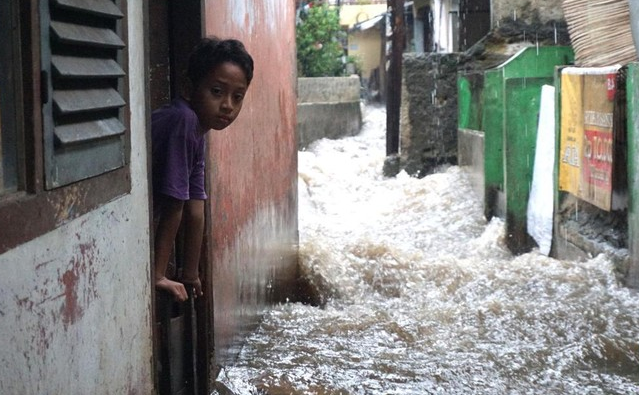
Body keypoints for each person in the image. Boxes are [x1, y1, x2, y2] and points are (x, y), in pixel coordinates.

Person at [151, 37, 254, 302]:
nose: (228, 105)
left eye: (237, 96)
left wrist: (190, 273)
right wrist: (158, 275)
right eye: (217, 92)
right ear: (189, 87)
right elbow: (176, 202)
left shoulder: (198, 130)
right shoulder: (182, 120)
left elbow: (196, 208)